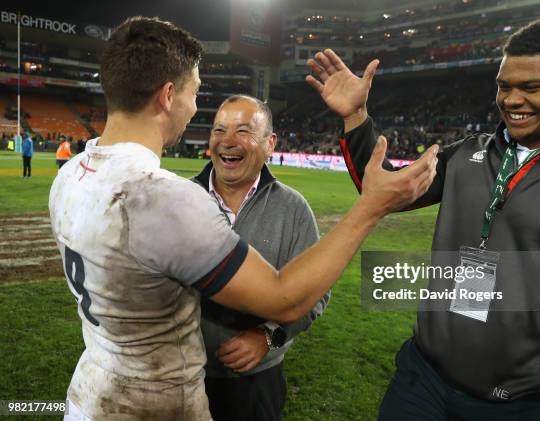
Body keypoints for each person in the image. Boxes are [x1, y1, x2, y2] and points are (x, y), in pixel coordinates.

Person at [49, 17, 438, 421]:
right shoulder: (166, 198)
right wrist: (370, 206)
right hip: (153, 404)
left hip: (92, 393)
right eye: (195, 93)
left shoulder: (71, 173)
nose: (194, 107)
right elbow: (285, 297)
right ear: (168, 96)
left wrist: (267, 338)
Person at [306, 18, 540, 421]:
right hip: (422, 380)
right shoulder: (468, 153)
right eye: (504, 86)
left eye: (531, 87)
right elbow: (385, 189)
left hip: (520, 403)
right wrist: (357, 116)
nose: (512, 100)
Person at [192, 94, 328, 421]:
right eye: (218, 130)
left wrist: (269, 335)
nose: (227, 141)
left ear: (270, 144)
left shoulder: (294, 210)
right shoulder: (181, 200)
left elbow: (315, 293)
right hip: (182, 375)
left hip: (257, 380)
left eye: (243, 131)